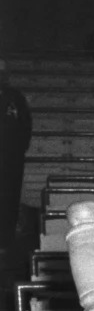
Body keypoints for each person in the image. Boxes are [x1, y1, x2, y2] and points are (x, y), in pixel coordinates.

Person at [0, 60, 31, 247]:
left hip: (10, 159)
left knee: (9, 198)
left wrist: (18, 151)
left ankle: (4, 239)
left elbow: (25, 125)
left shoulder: (16, 97)